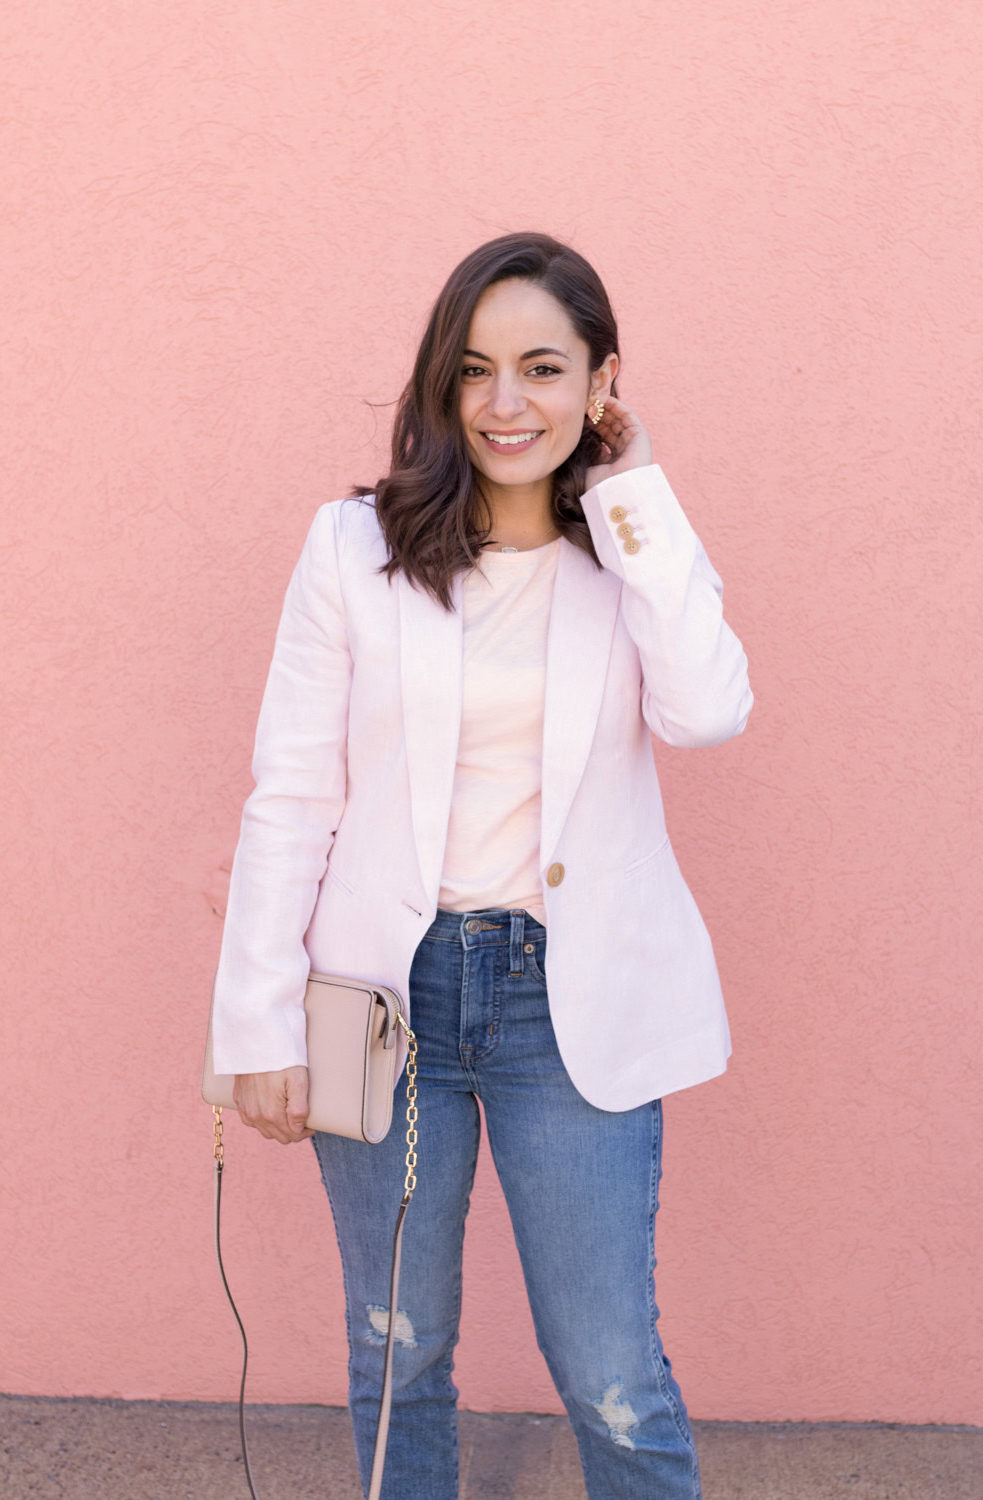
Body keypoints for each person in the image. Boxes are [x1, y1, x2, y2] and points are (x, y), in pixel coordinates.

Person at [209, 230, 754, 1499]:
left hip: (569, 1003)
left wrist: (635, 492)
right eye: (473, 369)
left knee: (611, 1369)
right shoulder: (352, 548)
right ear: (440, 384)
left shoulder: (631, 552)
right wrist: (256, 1023)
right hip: (384, 999)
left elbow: (708, 711)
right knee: (397, 1348)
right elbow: (292, 795)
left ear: (600, 382)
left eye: (543, 369)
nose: (505, 403)